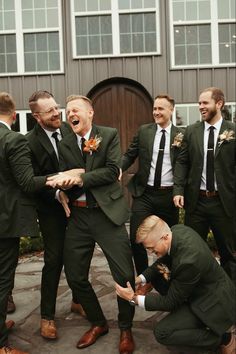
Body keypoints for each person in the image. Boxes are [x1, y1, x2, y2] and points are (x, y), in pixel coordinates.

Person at [46, 95, 135, 354]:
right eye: (67, 112)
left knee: (124, 274)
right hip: (79, 217)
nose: (70, 114)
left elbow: (111, 172)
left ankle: (126, 327)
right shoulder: (64, 145)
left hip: (107, 215)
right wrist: (61, 189)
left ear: (90, 113)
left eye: (75, 110)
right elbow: (64, 176)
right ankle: (98, 322)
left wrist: (80, 176)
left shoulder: (108, 135)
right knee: (74, 275)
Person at [115, 215, 236, 354]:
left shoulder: (188, 262)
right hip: (197, 288)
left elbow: (170, 302)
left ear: (165, 237)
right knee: (157, 274)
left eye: (151, 248)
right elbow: (163, 262)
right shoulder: (177, 231)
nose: (149, 252)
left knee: (162, 332)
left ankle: (224, 339)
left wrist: (133, 298)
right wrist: (140, 279)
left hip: (210, 302)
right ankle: (187, 319)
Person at [26, 91, 85, 340]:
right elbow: (31, 184)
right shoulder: (29, 142)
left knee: (78, 256)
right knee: (53, 261)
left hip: (78, 205)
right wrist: (57, 191)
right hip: (51, 210)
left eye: (56, 107)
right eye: (49, 111)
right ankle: (47, 316)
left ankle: (77, 300)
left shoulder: (71, 132)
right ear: (36, 116)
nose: (56, 113)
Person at [0, 92, 47, 354]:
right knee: (3, 281)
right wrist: (59, 176)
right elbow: (28, 182)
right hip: (5, 223)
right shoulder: (13, 139)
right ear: (15, 115)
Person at [173, 87, 236, 282]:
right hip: (197, 203)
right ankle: (198, 294)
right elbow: (182, 162)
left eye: (205, 103)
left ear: (219, 104)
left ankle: (230, 296)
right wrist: (178, 190)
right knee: (193, 252)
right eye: (199, 103)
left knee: (229, 254)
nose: (200, 107)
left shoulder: (233, 131)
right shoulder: (191, 131)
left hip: (223, 203)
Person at [122, 94, 183, 278]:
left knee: (170, 241)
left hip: (168, 196)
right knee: (135, 237)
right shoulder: (144, 131)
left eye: (160, 109)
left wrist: (181, 191)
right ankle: (144, 279)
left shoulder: (182, 135)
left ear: (171, 110)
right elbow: (130, 154)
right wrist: (116, 168)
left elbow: (185, 165)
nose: (156, 112)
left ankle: (167, 278)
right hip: (145, 193)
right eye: (154, 108)